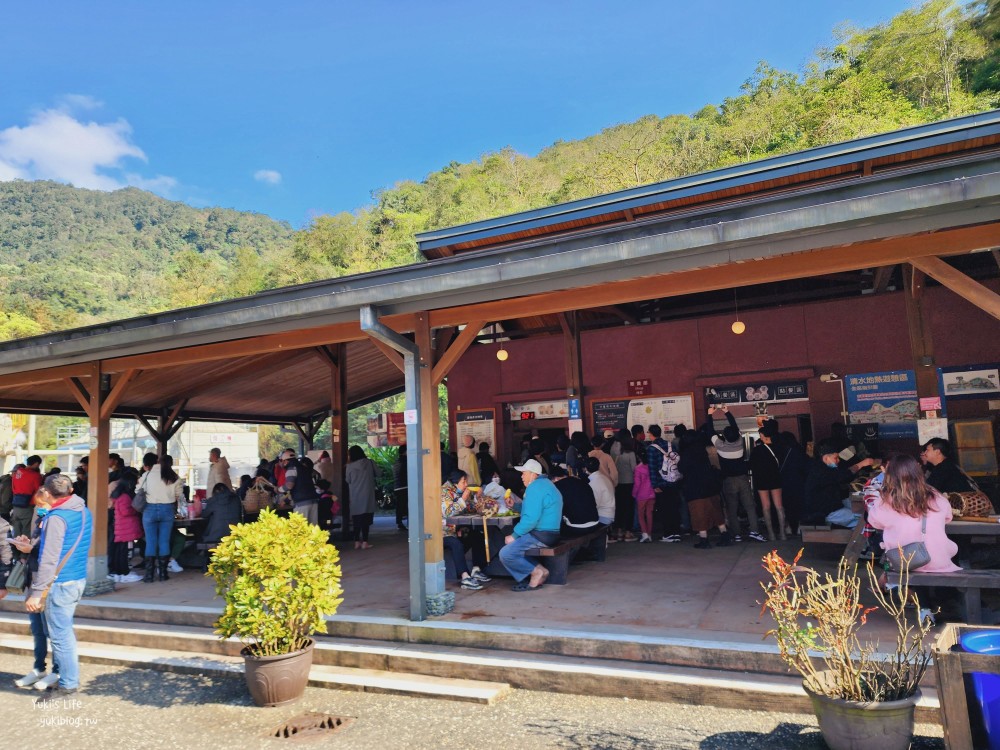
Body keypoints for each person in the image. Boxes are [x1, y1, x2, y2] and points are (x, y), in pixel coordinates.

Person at [22, 474, 92, 695]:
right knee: (64, 632)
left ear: (49, 495)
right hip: (78, 578)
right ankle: (67, 678)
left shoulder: (56, 518)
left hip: (59, 583)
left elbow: (49, 558)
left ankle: (69, 681)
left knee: (60, 636)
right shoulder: (82, 509)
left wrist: (37, 592)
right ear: (70, 491)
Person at [867, 454, 960, 573]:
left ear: (890, 475)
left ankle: (892, 588)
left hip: (905, 561)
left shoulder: (886, 500)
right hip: (939, 560)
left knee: (891, 567)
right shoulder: (935, 495)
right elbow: (948, 517)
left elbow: (874, 522)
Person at [499, 459, 562, 591]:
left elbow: (530, 519)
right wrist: (515, 506)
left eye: (524, 473)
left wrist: (514, 535)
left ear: (533, 474)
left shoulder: (534, 487)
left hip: (541, 534)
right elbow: (535, 509)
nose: (521, 476)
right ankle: (540, 570)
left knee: (506, 553)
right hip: (552, 533)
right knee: (513, 549)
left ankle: (536, 572)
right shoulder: (546, 484)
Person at [708, 405, 763, 542]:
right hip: (742, 479)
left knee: (731, 508)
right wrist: (726, 411)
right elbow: (734, 426)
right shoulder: (739, 442)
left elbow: (710, 431)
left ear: (724, 437)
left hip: (728, 480)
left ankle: (736, 534)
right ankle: (755, 531)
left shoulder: (720, 445)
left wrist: (709, 415)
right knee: (749, 506)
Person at [677, 431, 732, 549]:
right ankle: (725, 535)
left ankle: (704, 539)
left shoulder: (686, 453)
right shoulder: (702, 450)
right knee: (716, 512)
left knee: (698, 514)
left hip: (695, 488)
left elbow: (681, 468)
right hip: (710, 486)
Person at [802, 440, 875, 528]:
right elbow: (842, 475)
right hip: (826, 512)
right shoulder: (820, 471)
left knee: (863, 510)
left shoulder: (826, 468)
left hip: (835, 505)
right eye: (835, 458)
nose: (838, 460)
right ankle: (859, 540)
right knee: (864, 518)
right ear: (826, 458)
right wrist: (862, 464)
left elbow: (843, 474)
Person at [440, 469, 491, 590]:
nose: (466, 484)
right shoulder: (444, 492)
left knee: (477, 535)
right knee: (456, 543)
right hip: (441, 533)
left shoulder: (458, 492)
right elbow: (447, 512)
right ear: (455, 482)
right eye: (464, 481)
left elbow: (468, 508)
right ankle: (465, 577)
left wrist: (477, 498)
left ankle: (476, 570)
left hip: (456, 531)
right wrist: (463, 499)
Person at [140, 454, 184, 582]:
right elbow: (179, 495)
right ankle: (163, 574)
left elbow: (138, 490)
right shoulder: (173, 476)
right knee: (164, 541)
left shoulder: (147, 475)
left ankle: (149, 575)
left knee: (150, 541)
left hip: (149, 509)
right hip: (167, 510)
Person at [749, 421, 786, 541]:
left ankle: (771, 534)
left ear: (763, 436)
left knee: (766, 507)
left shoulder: (757, 450)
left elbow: (751, 465)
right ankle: (782, 533)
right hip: (776, 478)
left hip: (762, 481)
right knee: (779, 506)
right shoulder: (780, 447)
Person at [646, 425, 682, 543]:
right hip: (674, 480)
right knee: (674, 507)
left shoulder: (651, 448)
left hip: (662, 483)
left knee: (664, 509)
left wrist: (654, 485)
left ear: (651, 434)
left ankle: (668, 534)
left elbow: (652, 468)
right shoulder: (670, 445)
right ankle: (676, 533)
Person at [108, 468, 143, 583]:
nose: (137, 483)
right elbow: (125, 511)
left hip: (121, 527)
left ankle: (119, 573)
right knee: (123, 551)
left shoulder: (119, 494)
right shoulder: (125, 496)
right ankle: (124, 573)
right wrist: (136, 510)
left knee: (120, 550)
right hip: (125, 527)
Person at [550, 465, 599, 538]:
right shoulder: (580, 481)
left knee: (554, 532)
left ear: (555, 479)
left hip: (578, 527)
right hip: (595, 522)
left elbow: (558, 511)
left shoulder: (558, 486)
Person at [345, 445, 377, 549]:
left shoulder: (349, 466)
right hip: (368, 495)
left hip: (355, 495)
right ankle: (365, 542)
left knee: (356, 519)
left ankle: (356, 542)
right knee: (366, 519)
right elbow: (379, 473)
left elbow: (348, 480)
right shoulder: (370, 463)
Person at [11, 455, 43, 540]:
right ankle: (24, 553)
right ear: (36, 464)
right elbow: (38, 491)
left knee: (16, 529)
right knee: (26, 530)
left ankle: (15, 551)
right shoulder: (35, 476)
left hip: (16, 504)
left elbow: (13, 488)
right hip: (27, 505)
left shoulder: (17, 473)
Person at [613, 433, 637, 542]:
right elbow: (634, 469)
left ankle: (618, 532)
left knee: (619, 508)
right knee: (629, 508)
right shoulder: (630, 454)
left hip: (618, 484)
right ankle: (628, 532)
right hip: (629, 483)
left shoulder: (614, 452)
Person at [282, 454, 319, 526]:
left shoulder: (292, 469)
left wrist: (278, 490)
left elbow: (289, 486)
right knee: (313, 528)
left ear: (286, 461)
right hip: (313, 500)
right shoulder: (306, 470)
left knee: (300, 529)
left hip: (301, 503)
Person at [583, 456, 615, 527]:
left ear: (585, 468)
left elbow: (594, 504)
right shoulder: (604, 478)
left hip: (602, 517)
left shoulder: (594, 483)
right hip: (608, 514)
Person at [632, 449, 656, 542]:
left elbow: (637, 483)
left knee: (641, 514)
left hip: (642, 494)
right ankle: (649, 534)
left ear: (638, 457)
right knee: (649, 513)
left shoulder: (638, 468)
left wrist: (634, 493)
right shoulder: (652, 466)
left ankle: (644, 533)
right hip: (652, 493)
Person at [394, 445, 408, 531]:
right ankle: (408, 523)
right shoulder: (406, 461)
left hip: (397, 487)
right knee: (406, 506)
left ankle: (399, 522)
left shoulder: (397, 461)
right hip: (404, 486)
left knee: (399, 506)